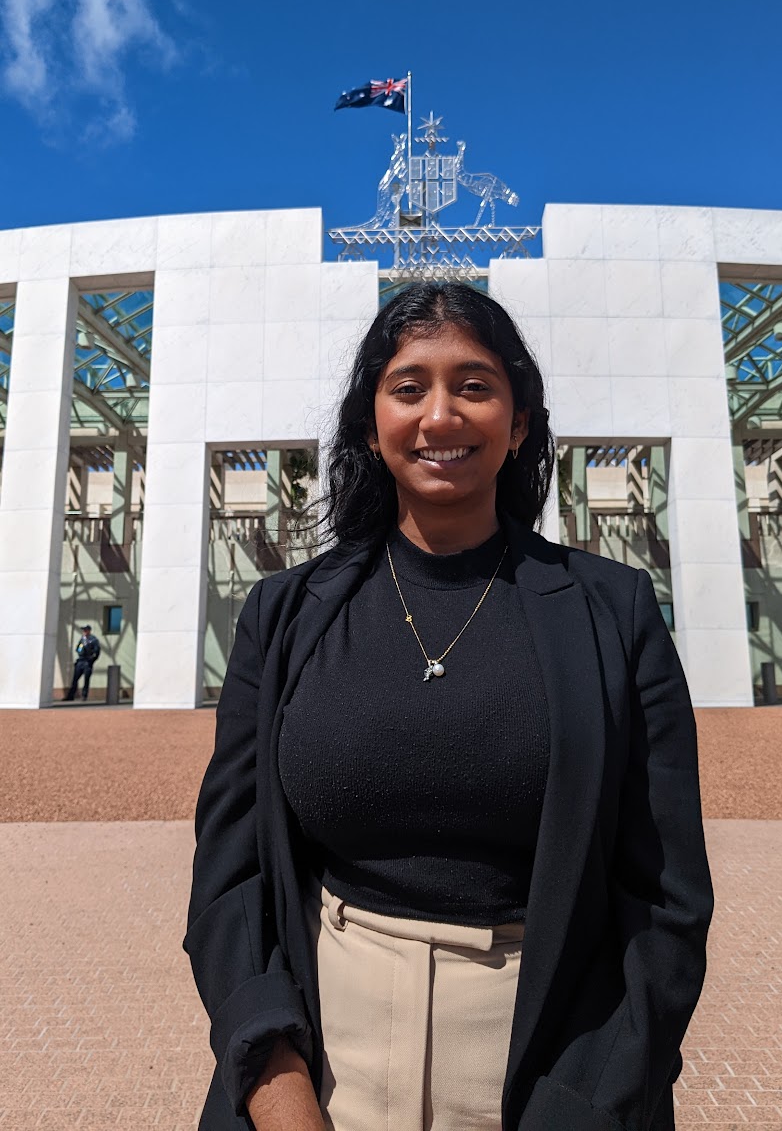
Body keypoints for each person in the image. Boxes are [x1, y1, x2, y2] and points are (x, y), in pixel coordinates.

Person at [184, 281, 714, 1131]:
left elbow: (663, 902)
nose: (440, 416)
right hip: (319, 1068)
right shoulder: (284, 614)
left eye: (473, 386)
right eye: (408, 388)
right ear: (370, 423)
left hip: (548, 1070)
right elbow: (230, 875)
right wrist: (277, 1091)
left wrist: (581, 1106)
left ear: (520, 423)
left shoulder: (612, 611)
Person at [63, 624, 101, 702]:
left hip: (87, 662)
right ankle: (71, 695)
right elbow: (78, 649)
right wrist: (80, 650)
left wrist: (91, 660)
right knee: (75, 679)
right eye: (83, 630)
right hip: (81, 661)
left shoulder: (93, 640)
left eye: (85, 630)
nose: (84, 631)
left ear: (89, 631)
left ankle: (84, 695)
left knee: (86, 679)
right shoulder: (82, 640)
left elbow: (96, 651)